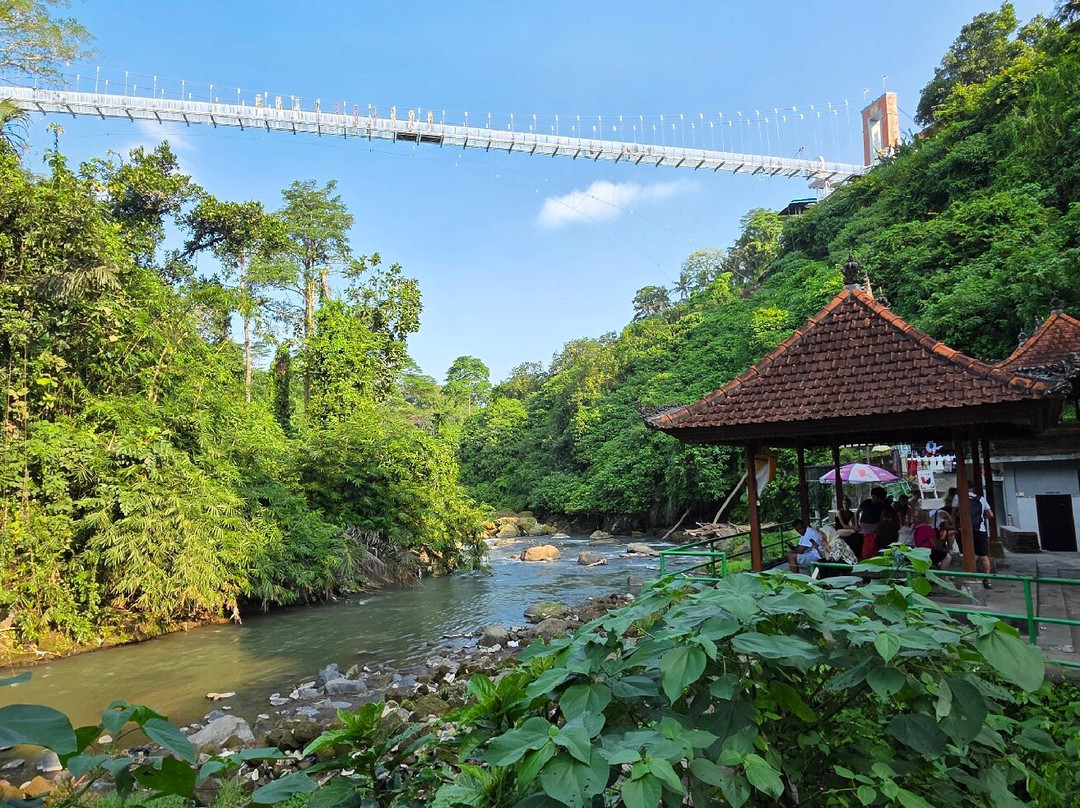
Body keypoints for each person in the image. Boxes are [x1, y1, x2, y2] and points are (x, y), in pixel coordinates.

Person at [857, 487, 888, 559]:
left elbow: (882, 517)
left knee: (874, 540)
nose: (875, 499)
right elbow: (857, 512)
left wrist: (878, 525)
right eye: (874, 497)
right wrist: (856, 524)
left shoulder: (881, 505)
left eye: (877, 497)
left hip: (875, 525)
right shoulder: (866, 502)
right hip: (864, 525)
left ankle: (873, 554)